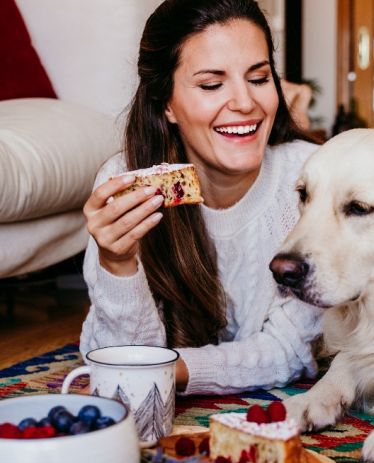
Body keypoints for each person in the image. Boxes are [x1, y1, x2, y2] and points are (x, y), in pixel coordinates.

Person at [81, 0, 323, 395]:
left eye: (259, 79)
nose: (245, 103)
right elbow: (117, 364)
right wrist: (117, 264)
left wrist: (167, 370)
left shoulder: (309, 181)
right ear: (167, 105)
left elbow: (290, 350)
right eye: (212, 85)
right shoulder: (123, 184)